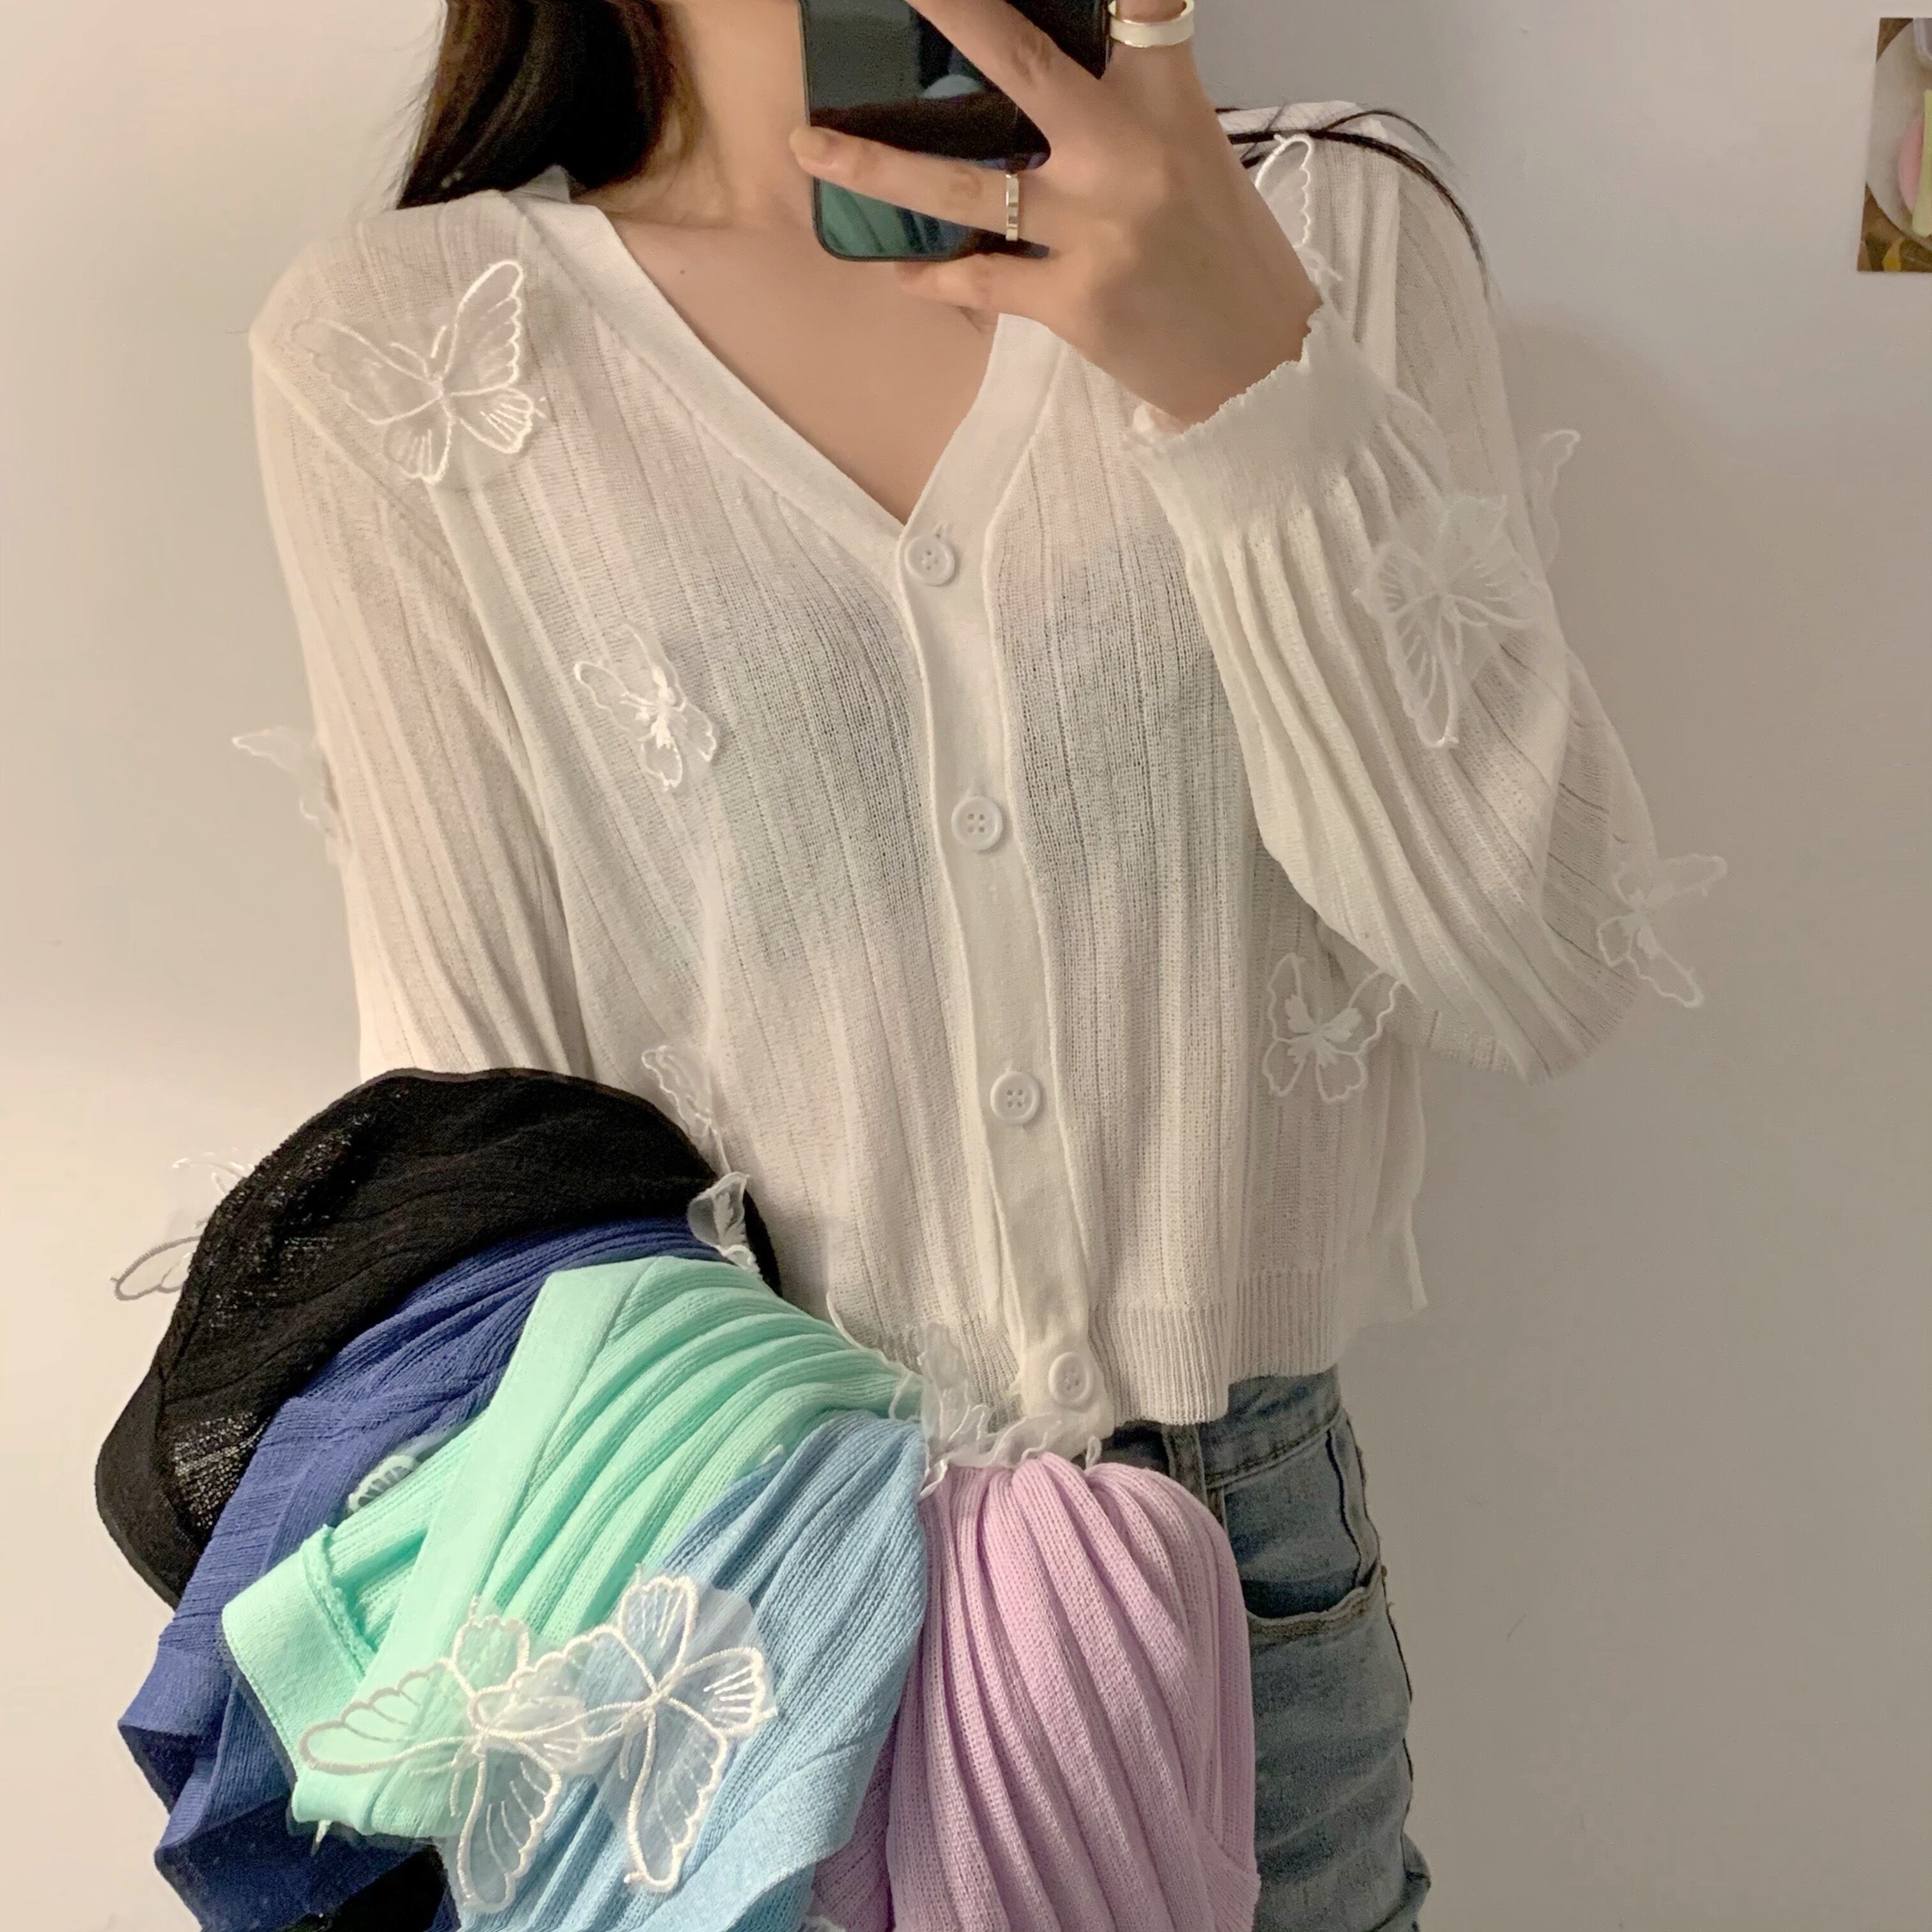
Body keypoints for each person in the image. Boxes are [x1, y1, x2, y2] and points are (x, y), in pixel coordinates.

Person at [247, 2, 1669, 1926]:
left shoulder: (1316, 220)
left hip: (1243, 1571)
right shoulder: (414, 341)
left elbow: (1539, 963)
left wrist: (1251, 385)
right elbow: (483, 1149)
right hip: (727, 1605)